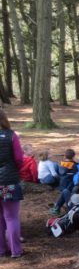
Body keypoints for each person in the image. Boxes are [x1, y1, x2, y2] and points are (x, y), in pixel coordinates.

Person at [0, 110, 23, 258]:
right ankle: (16, 251)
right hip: (8, 182)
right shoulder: (11, 135)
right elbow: (19, 159)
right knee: (11, 217)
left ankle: (1, 250)